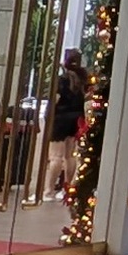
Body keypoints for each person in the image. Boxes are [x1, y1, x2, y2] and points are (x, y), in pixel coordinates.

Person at [46, 48, 87, 200]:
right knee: (69, 156)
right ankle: (66, 188)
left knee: (56, 156)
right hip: (76, 119)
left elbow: (55, 100)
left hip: (60, 119)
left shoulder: (61, 80)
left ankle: (49, 190)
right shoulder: (82, 80)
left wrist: (48, 115)